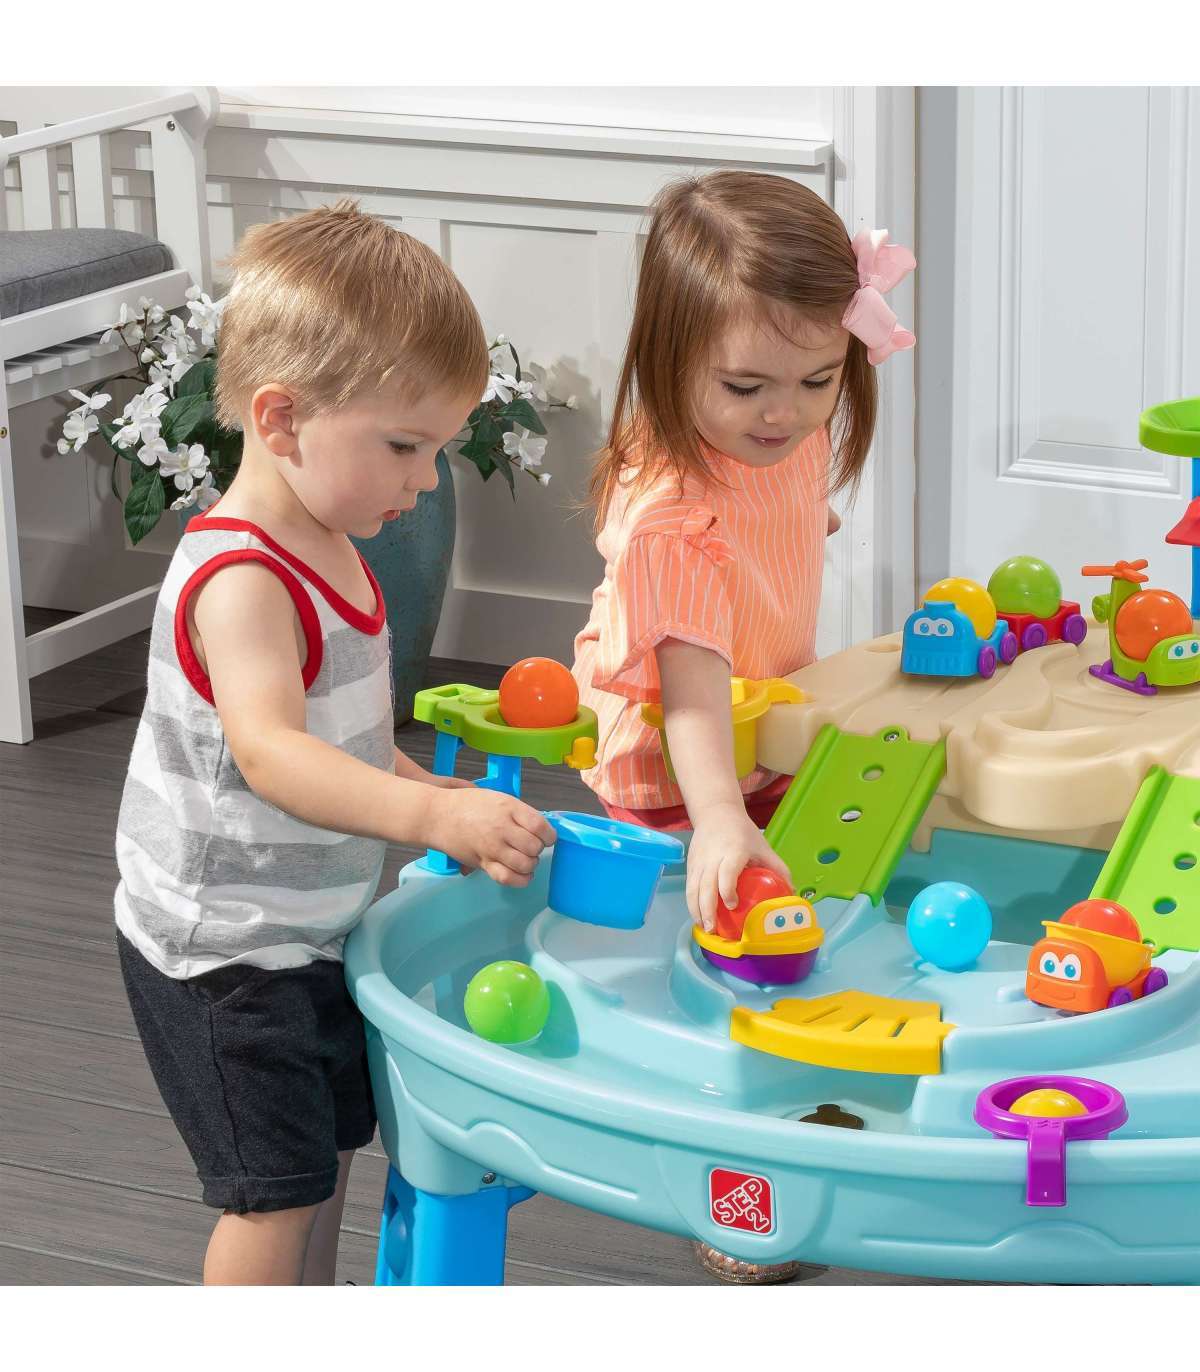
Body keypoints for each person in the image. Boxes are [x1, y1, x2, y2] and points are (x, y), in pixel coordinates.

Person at [113, 201, 555, 1285]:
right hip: (223, 954)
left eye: (437, 449)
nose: (425, 479)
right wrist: (430, 809)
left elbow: (344, 744)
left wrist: (438, 809)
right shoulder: (245, 579)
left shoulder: (335, 541)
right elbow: (274, 754)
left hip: (308, 928)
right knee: (272, 1193)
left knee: (327, 1155)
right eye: (404, 446)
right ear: (282, 419)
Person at [571, 170, 914, 1284]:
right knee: (726, 984)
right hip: (682, 766)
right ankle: (737, 1192)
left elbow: (783, 516)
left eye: (820, 379)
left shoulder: (781, 432)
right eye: (747, 386)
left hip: (760, 730)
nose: (787, 414)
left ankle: (798, 1114)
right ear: (672, 362)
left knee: (790, 948)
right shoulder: (674, 518)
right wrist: (718, 816)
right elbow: (689, 687)